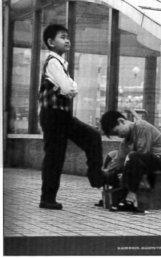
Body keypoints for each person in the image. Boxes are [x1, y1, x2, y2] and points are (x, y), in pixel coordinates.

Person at [39, 24, 104, 210]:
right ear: (51, 42)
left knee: (92, 136)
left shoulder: (61, 64)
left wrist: (67, 88)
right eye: (62, 37)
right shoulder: (52, 62)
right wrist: (67, 88)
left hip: (63, 116)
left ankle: (95, 176)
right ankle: (47, 198)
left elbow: (73, 88)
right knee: (54, 157)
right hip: (52, 116)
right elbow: (69, 88)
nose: (67, 40)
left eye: (67, 37)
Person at [100, 111, 161, 211]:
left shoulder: (142, 127)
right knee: (114, 162)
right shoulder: (125, 143)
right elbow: (118, 160)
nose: (118, 136)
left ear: (121, 121)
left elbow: (143, 151)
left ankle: (130, 198)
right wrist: (106, 173)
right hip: (138, 162)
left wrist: (124, 170)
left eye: (117, 132)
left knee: (133, 157)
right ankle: (114, 196)